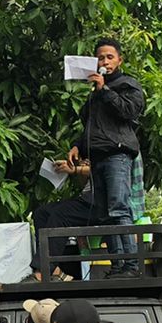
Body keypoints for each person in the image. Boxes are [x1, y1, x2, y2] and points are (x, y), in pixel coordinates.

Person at [65, 37, 145, 277]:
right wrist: (78, 146)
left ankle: (131, 265)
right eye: (101, 57)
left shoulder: (127, 84)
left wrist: (105, 90)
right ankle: (118, 265)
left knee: (119, 209)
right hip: (98, 157)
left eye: (110, 57)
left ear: (120, 60)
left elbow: (130, 111)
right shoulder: (94, 95)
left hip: (117, 154)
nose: (105, 61)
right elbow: (91, 125)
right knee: (104, 214)